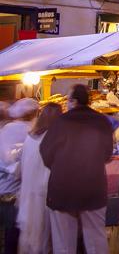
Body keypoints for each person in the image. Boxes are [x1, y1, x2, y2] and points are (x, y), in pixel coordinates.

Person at [40, 85, 114, 254]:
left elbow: (45, 152)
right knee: (96, 240)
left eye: (68, 99)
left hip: (62, 189)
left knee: (63, 243)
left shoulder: (61, 122)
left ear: (73, 101)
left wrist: (60, 168)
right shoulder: (102, 121)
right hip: (93, 188)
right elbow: (108, 153)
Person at [17, 102, 63, 254]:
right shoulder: (54, 139)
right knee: (44, 241)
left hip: (28, 193)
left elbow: (22, 168)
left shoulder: (30, 138)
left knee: (30, 240)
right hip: (45, 196)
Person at [1, 98, 40, 252]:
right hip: (15, 194)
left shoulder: (6, 130)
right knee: (12, 236)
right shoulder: (33, 132)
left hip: (4, 189)